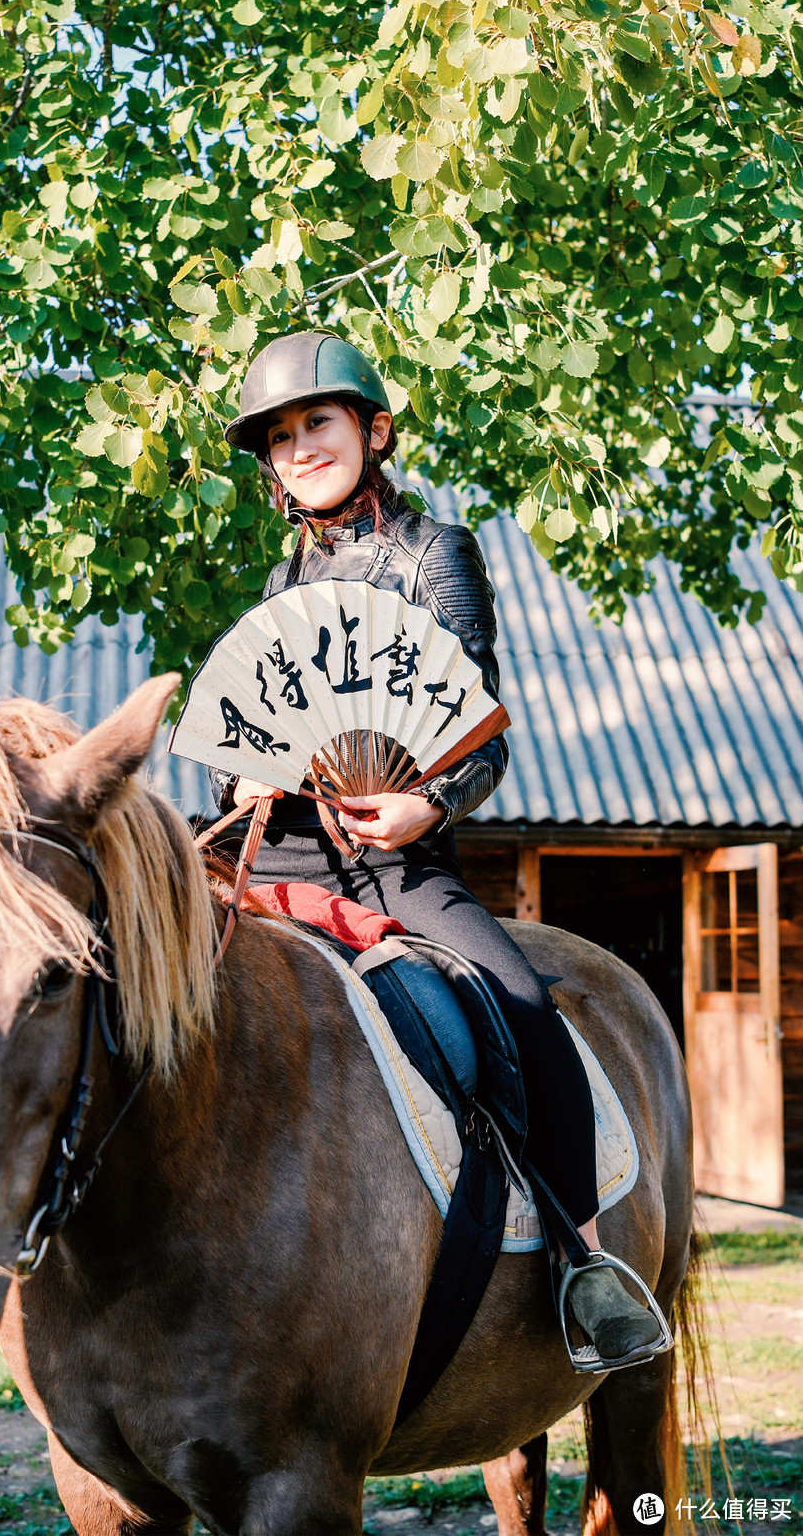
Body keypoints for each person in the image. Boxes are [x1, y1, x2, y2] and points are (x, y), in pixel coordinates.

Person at [213, 331, 665, 1368]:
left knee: (524, 1006)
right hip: (278, 854)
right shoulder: (281, 575)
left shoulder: (436, 553)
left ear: (372, 430)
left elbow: (480, 732)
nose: (299, 447)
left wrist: (428, 806)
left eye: (316, 423)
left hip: (396, 861)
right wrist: (240, 781)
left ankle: (584, 1261)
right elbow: (241, 737)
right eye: (279, 437)